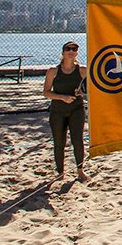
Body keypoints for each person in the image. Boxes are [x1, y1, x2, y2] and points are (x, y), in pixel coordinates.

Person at [43, 41, 88, 181]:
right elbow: (46, 92)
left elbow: (92, 88)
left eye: (74, 49)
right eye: (68, 49)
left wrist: (81, 92)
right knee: (59, 142)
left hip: (77, 109)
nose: (71, 51)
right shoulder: (53, 71)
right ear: (63, 53)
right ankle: (60, 172)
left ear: (76, 53)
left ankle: (80, 170)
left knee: (78, 141)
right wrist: (62, 97)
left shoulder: (82, 70)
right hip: (58, 111)